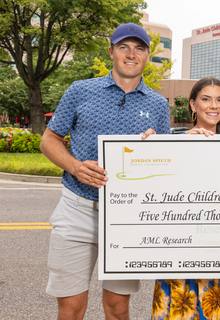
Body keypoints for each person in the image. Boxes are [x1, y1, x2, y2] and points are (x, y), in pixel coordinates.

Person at [40, 23, 170, 320]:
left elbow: (165, 163)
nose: (131, 54)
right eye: (124, 46)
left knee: (117, 307)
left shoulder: (158, 104)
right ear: (111, 51)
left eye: (139, 48)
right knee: (71, 308)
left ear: (148, 56)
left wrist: (154, 151)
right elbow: (49, 140)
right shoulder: (81, 90)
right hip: (78, 209)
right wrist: (75, 166)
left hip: (126, 217)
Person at [151, 77, 220, 320]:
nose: (214, 105)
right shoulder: (173, 145)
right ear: (193, 105)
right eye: (206, 99)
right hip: (180, 257)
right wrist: (151, 148)